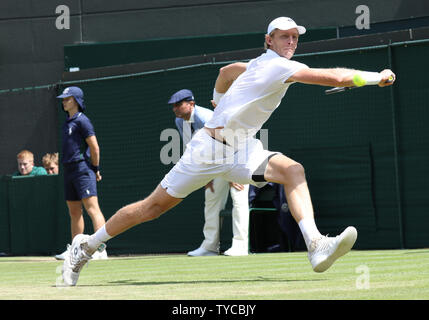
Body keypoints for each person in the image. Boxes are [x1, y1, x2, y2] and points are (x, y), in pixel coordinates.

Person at [62, 17, 396, 286]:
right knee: (151, 209)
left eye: (295, 37)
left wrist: (219, 101)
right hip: (206, 151)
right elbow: (331, 77)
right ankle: (87, 246)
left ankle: (315, 245)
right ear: (269, 40)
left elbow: (224, 73)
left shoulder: (256, 64)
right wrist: (373, 76)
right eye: (283, 37)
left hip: (242, 149)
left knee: (293, 170)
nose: (290, 42)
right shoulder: (277, 67)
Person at [168, 89, 250, 257]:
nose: (175, 109)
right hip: (215, 162)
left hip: (238, 156)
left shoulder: (205, 117)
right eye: (173, 106)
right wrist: (203, 175)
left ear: (191, 104)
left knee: (238, 198)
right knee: (211, 198)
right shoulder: (179, 121)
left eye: (178, 105)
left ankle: (240, 246)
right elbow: (193, 148)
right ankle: (210, 246)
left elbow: (228, 143)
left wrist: (232, 174)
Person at [54, 86, 108, 261]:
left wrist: (95, 168)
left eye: (67, 98)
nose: (63, 101)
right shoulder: (67, 122)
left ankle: (101, 249)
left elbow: (94, 147)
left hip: (82, 169)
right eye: (63, 99)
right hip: (68, 170)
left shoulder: (83, 121)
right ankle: (76, 251)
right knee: (74, 212)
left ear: (76, 101)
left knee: (93, 209)